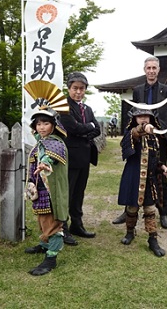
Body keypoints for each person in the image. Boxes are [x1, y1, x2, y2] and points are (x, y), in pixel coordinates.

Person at [112, 56, 167, 229]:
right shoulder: (138, 90)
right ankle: (129, 211)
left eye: (154, 68)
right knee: (134, 172)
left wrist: (166, 135)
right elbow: (133, 112)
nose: (151, 71)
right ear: (144, 70)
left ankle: (163, 212)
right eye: (148, 68)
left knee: (159, 174)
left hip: (159, 138)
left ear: (158, 70)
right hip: (140, 137)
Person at [117, 106, 167, 257]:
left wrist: (162, 167)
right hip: (134, 178)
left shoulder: (154, 138)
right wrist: (142, 128)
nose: (144, 118)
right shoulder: (130, 134)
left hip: (149, 180)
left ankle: (152, 239)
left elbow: (156, 160)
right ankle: (129, 232)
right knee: (132, 209)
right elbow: (133, 136)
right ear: (134, 119)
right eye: (140, 116)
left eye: (147, 116)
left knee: (150, 210)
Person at [24, 108, 69, 276]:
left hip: (51, 190)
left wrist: (45, 164)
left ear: (53, 125)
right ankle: (45, 244)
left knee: (52, 222)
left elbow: (48, 158)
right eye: (39, 123)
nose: (42, 127)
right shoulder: (41, 142)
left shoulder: (55, 142)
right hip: (40, 188)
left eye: (46, 123)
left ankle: (51, 258)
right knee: (42, 219)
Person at [59, 72, 101, 244]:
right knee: (66, 193)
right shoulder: (63, 107)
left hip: (85, 156)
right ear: (69, 89)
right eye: (75, 88)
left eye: (81, 89)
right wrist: (87, 127)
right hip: (70, 156)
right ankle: (63, 228)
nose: (78, 92)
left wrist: (86, 128)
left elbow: (97, 129)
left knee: (79, 193)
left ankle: (77, 224)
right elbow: (72, 128)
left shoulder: (87, 109)